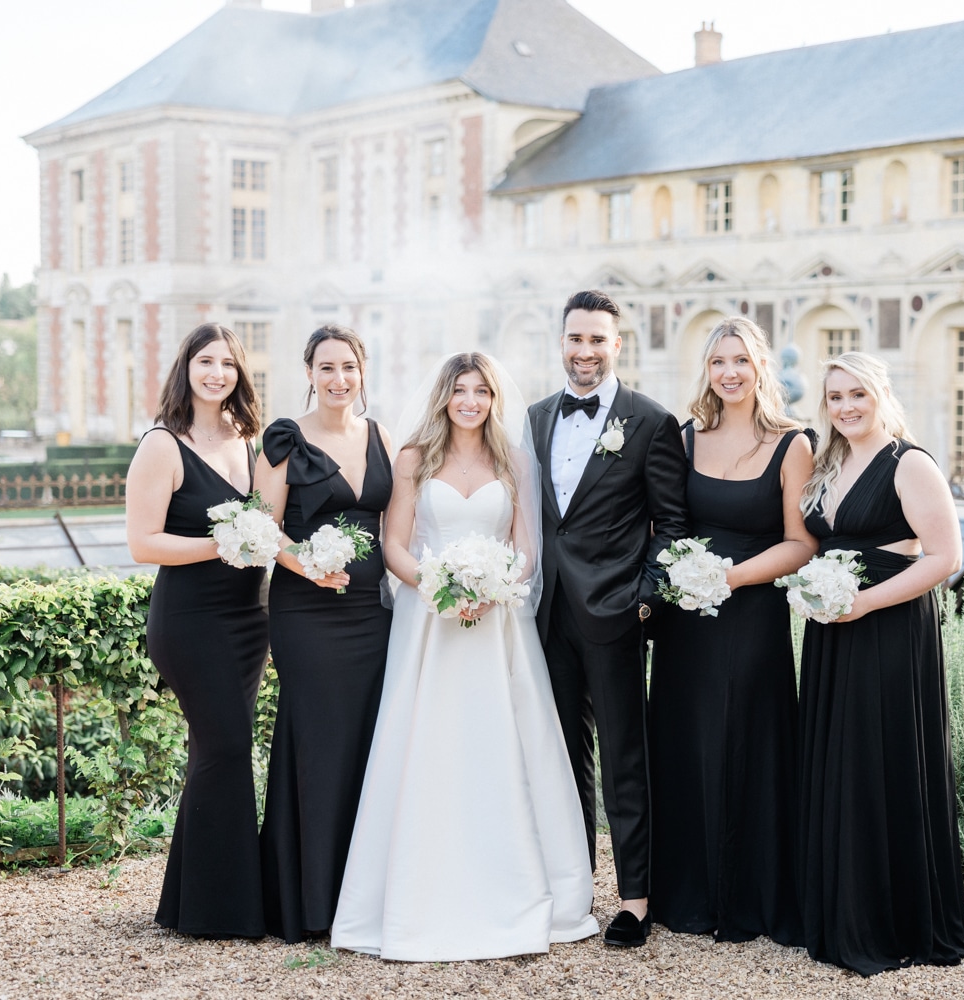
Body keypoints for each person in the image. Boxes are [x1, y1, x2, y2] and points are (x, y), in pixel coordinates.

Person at [330, 352, 598, 961]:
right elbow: (394, 545)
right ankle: (417, 893)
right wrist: (439, 587)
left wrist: (494, 586)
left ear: (494, 400)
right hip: (431, 623)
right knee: (428, 741)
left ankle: (521, 888)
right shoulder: (414, 459)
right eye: (460, 391)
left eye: (481, 391)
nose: (471, 401)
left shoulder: (515, 461)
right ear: (444, 397)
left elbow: (526, 550)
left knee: (503, 742)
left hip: (498, 623)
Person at [795, 351, 964, 975]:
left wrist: (864, 603)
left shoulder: (910, 463)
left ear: (881, 394)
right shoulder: (827, 463)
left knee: (879, 761)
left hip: (888, 629)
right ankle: (839, 909)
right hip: (832, 633)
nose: (846, 406)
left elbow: (944, 558)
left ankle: (888, 919)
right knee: (839, 762)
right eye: (835, 397)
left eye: (857, 394)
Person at [528, 289, 691, 948]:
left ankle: (634, 901)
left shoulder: (650, 422)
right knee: (560, 758)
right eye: (576, 338)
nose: (585, 351)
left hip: (615, 614)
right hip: (544, 617)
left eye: (597, 339)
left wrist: (643, 600)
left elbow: (672, 526)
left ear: (617, 345)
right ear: (561, 341)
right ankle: (571, 894)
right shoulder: (533, 418)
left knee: (625, 759)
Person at [647, 317, 815, 945]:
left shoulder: (792, 444)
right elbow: (665, 524)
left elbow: (801, 543)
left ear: (761, 366)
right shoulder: (685, 437)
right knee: (685, 741)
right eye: (718, 361)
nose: (729, 372)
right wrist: (681, 578)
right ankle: (686, 894)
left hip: (752, 615)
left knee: (748, 741)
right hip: (686, 620)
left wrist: (732, 577)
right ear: (707, 370)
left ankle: (750, 896)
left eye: (741, 360)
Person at [125, 322, 268, 938]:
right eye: (206, 361)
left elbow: (271, 527)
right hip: (190, 621)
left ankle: (189, 901)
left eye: (228, 363)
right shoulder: (162, 444)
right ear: (185, 367)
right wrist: (221, 543)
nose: (217, 373)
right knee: (228, 747)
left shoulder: (247, 437)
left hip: (248, 620)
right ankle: (221, 911)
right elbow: (142, 543)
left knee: (217, 750)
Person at [255, 325, 394, 944]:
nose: (340, 379)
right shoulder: (285, 439)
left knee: (370, 741)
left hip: (373, 615)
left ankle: (362, 898)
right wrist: (304, 564)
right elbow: (261, 527)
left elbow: (400, 526)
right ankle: (311, 901)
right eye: (328, 368)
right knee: (319, 742)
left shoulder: (382, 435)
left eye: (349, 367)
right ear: (309, 373)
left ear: (363, 372)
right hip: (307, 615)